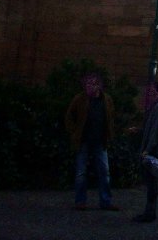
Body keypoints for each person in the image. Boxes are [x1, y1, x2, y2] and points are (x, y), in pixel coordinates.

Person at [64, 71, 119, 211]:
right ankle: (80, 201)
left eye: (92, 84)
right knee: (81, 172)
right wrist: (74, 132)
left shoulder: (106, 100)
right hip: (83, 140)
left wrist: (110, 133)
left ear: (98, 86)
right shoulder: (79, 99)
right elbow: (69, 117)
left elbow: (111, 117)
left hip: (100, 141)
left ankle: (105, 201)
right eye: (87, 84)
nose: (89, 87)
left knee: (104, 172)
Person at [134, 79, 158, 223]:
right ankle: (149, 212)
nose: (149, 94)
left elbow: (155, 132)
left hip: (153, 154)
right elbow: (152, 130)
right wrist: (140, 131)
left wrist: (147, 150)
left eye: (152, 91)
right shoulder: (157, 107)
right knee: (151, 184)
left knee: (151, 184)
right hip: (153, 152)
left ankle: (150, 213)